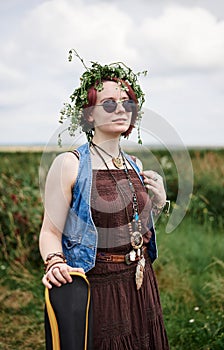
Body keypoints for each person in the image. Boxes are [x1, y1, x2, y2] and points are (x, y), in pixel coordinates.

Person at [39, 50, 170, 349]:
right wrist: (55, 261)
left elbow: (135, 228)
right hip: (98, 287)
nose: (121, 109)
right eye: (109, 103)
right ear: (89, 114)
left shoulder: (134, 163)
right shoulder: (70, 165)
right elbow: (50, 232)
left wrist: (159, 202)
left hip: (140, 281)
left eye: (127, 103)